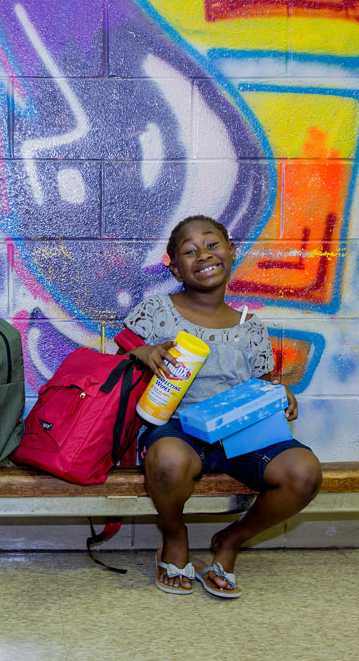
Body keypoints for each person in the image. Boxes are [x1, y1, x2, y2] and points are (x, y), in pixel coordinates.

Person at [120, 215, 321, 599]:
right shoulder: (157, 310)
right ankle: (175, 537)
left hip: (239, 431)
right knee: (167, 460)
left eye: (212, 245)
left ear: (231, 250)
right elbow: (115, 360)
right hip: (177, 429)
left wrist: (281, 393)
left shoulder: (251, 326)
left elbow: (261, 388)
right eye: (189, 251)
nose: (203, 255)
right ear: (174, 266)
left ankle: (229, 542)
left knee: (304, 472)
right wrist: (144, 352)